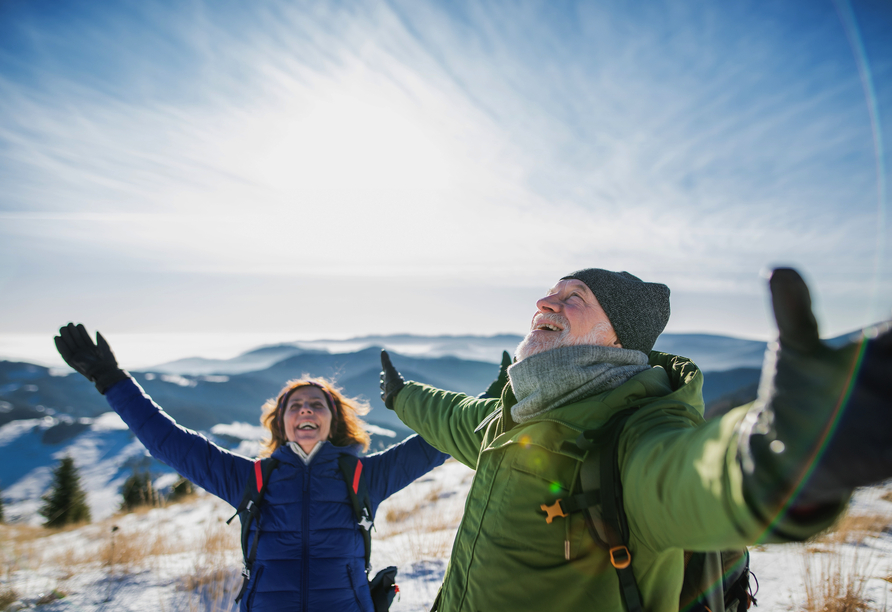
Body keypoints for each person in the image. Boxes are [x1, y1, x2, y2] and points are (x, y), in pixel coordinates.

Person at [379, 267, 892, 612]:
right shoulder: (513, 417)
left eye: (574, 298)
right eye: (552, 292)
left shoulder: (633, 435)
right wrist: (401, 396)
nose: (545, 301)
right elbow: (451, 416)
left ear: (618, 337)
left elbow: (690, 476)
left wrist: (784, 453)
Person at [54, 323, 448, 612]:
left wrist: (427, 400)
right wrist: (111, 380)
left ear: (333, 421)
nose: (305, 410)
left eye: (317, 405)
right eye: (295, 406)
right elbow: (168, 441)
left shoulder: (365, 477)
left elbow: (441, 439)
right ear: (281, 423)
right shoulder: (250, 479)